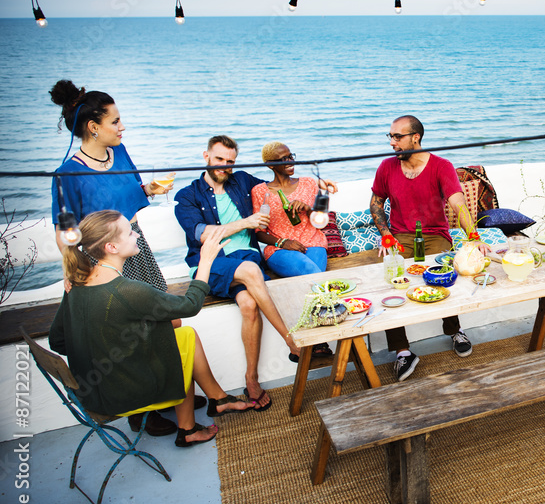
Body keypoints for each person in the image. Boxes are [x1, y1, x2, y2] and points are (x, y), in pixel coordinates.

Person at [49, 211, 255, 447]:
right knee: (176, 343)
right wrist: (206, 259)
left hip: (91, 392)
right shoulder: (128, 290)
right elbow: (190, 306)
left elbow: (58, 342)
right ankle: (188, 429)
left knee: (182, 335)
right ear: (111, 247)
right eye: (129, 232)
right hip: (117, 396)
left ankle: (217, 400)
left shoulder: (77, 282)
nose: (136, 235)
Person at [174, 135, 334, 411]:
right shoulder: (187, 195)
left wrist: (319, 185)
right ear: (206, 156)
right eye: (220, 159)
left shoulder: (242, 181)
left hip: (246, 257)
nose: (225, 166)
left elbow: (278, 176)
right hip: (212, 262)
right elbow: (202, 234)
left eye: (230, 162)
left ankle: (251, 378)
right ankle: (292, 340)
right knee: (251, 270)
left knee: (249, 304)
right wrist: (245, 222)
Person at [370, 115, 486, 381]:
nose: (392, 143)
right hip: (400, 236)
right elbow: (376, 203)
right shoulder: (387, 167)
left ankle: (455, 330)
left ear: (416, 138)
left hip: (434, 235)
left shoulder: (441, 166)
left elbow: (458, 203)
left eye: (397, 137)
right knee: (393, 280)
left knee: (442, 273)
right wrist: (386, 236)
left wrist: (474, 236)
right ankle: (402, 352)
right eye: (390, 137)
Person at [49, 80, 173, 291]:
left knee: (162, 317)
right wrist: (72, 269)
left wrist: (150, 190)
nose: (122, 127)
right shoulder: (68, 174)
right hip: (103, 259)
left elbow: (123, 196)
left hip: (135, 245)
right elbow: (65, 232)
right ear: (93, 127)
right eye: (115, 122)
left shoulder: (120, 152)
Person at [251, 141, 329, 277]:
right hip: (280, 249)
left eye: (290, 156)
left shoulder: (309, 183)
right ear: (270, 165)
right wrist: (283, 242)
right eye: (283, 159)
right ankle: (334, 294)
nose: (290, 161)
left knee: (311, 274)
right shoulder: (260, 192)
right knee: (311, 271)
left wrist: (308, 209)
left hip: (314, 243)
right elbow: (258, 232)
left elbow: (322, 222)